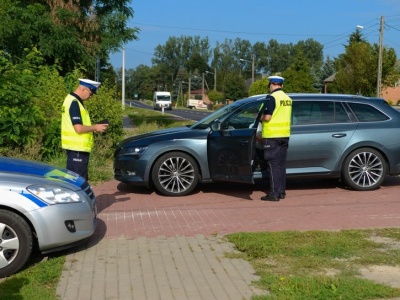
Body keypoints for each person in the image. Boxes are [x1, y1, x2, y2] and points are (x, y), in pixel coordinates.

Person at [61, 78, 109, 180]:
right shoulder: (74, 103)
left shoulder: (72, 100)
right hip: (77, 149)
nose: (91, 97)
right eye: (91, 93)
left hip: (75, 149)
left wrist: (93, 128)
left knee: (73, 181)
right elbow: (78, 128)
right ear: (84, 89)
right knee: (78, 182)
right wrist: (95, 127)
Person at [259, 75, 292, 201]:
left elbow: (267, 117)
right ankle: (281, 192)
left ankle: (273, 194)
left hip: (272, 136)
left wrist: (258, 117)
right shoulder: (287, 99)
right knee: (281, 164)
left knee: (272, 165)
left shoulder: (271, 98)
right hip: (285, 135)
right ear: (282, 85)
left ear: (271, 85)